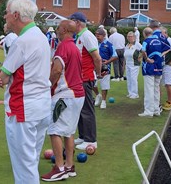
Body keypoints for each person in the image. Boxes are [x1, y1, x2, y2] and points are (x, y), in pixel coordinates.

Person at [0, 0, 51, 184]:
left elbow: (3, 77)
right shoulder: (41, 36)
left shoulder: (22, 41)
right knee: (30, 161)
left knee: (24, 167)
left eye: (7, 12)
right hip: (41, 105)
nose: (5, 16)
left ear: (15, 15)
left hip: (23, 108)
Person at [41, 20, 85, 182]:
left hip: (65, 95)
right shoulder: (74, 47)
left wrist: (47, 86)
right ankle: (69, 165)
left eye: (59, 27)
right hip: (77, 95)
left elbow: (57, 70)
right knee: (69, 131)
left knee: (54, 130)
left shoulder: (63, 47)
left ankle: (59, 168)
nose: (57, 30)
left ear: (65, 30)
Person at [69, 12, 102, 150]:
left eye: (71, 21)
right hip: (79, 77)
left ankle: (91, 140)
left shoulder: (87, 36)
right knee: (80, 108)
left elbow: (97, 58)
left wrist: (98, 74)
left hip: (86, 77)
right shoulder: (80, 36)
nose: (69, 24)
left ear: (77, 22)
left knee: (87, 109)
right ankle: (83, 136)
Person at [138, 27, 163, 118]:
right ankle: (156, 110)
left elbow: (143, 50)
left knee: (149, 89)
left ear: (144, 34)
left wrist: (146, 58)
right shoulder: (159, 41)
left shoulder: (146, 41)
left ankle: (148, 111)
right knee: (156, 89)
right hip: (159, 66)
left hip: (149, 67)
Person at [93, 28, 117, 109]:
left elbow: (115, 56)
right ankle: (97, 95)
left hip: (105, 68)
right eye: (96, 35)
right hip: (94, 67)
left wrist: (107, 62)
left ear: (103, 36)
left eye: (98, 35)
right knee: (93, 84)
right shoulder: (93, 43)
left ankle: (103, 101)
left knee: (104, 85)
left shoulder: (109, 44)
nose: (96, 37)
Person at [123, 31, 142, 99]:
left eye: (131, 36)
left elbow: (144, 51)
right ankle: (130, 93)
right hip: (128, 64)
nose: (129, 38)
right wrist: (123, 65)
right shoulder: (127, 45)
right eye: (128, 36)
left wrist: (140, 57)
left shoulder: (137, 44)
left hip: (134, 64)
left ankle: (135, 93)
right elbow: (125, 56)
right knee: (129, 78)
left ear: (134, 37)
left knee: (133, 79)